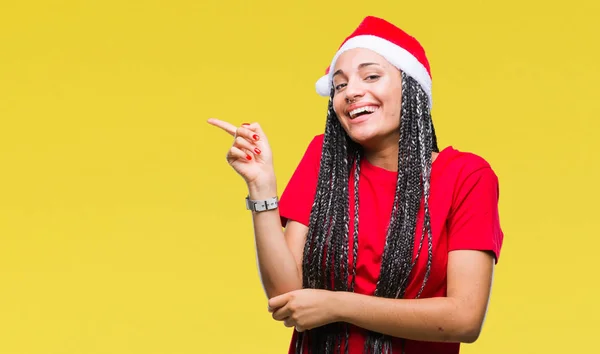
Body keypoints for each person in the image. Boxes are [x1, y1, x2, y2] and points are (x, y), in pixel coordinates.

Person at [208, 16, 504, 354]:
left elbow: (464, 319)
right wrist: (261, 187)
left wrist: (337, 306)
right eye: (339, 85)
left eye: (371, 76)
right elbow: (285, 294)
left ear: (411, 87)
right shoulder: (324, 159)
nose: (352, 92)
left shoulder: (466, 176)